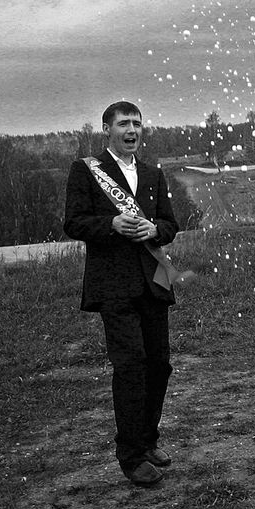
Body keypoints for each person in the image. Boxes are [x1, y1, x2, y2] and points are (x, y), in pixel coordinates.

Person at [64, 101, 180, 486]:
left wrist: (155, 230)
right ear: (106, 129)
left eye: (137, 124)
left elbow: (170, 224)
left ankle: (147, 440)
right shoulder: (86, 170)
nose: (132, 130)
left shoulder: (152, 173)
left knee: (159, 365)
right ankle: (130, 456)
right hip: (113, 285)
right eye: (123, 124)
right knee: (130, 366)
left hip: (153, 284)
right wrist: (111, 223)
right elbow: (74, 223)